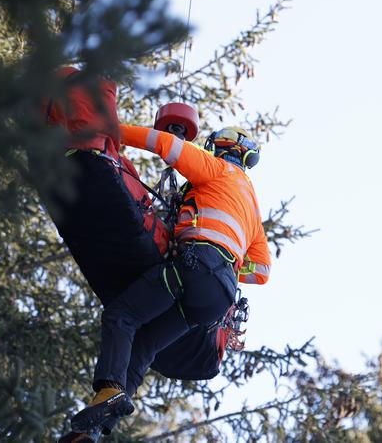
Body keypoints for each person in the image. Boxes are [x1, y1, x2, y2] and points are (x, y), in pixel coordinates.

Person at [69, 124, 272, 434]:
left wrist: (112, 130)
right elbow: (261, 271)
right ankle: (97, 426)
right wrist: (229, 261)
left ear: (219, 147)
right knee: (145, 346)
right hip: (218, 299)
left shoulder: (217, 169)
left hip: (195, 267)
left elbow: (164, 143)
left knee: (122, 315)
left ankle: (109, 388)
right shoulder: (251, 208)